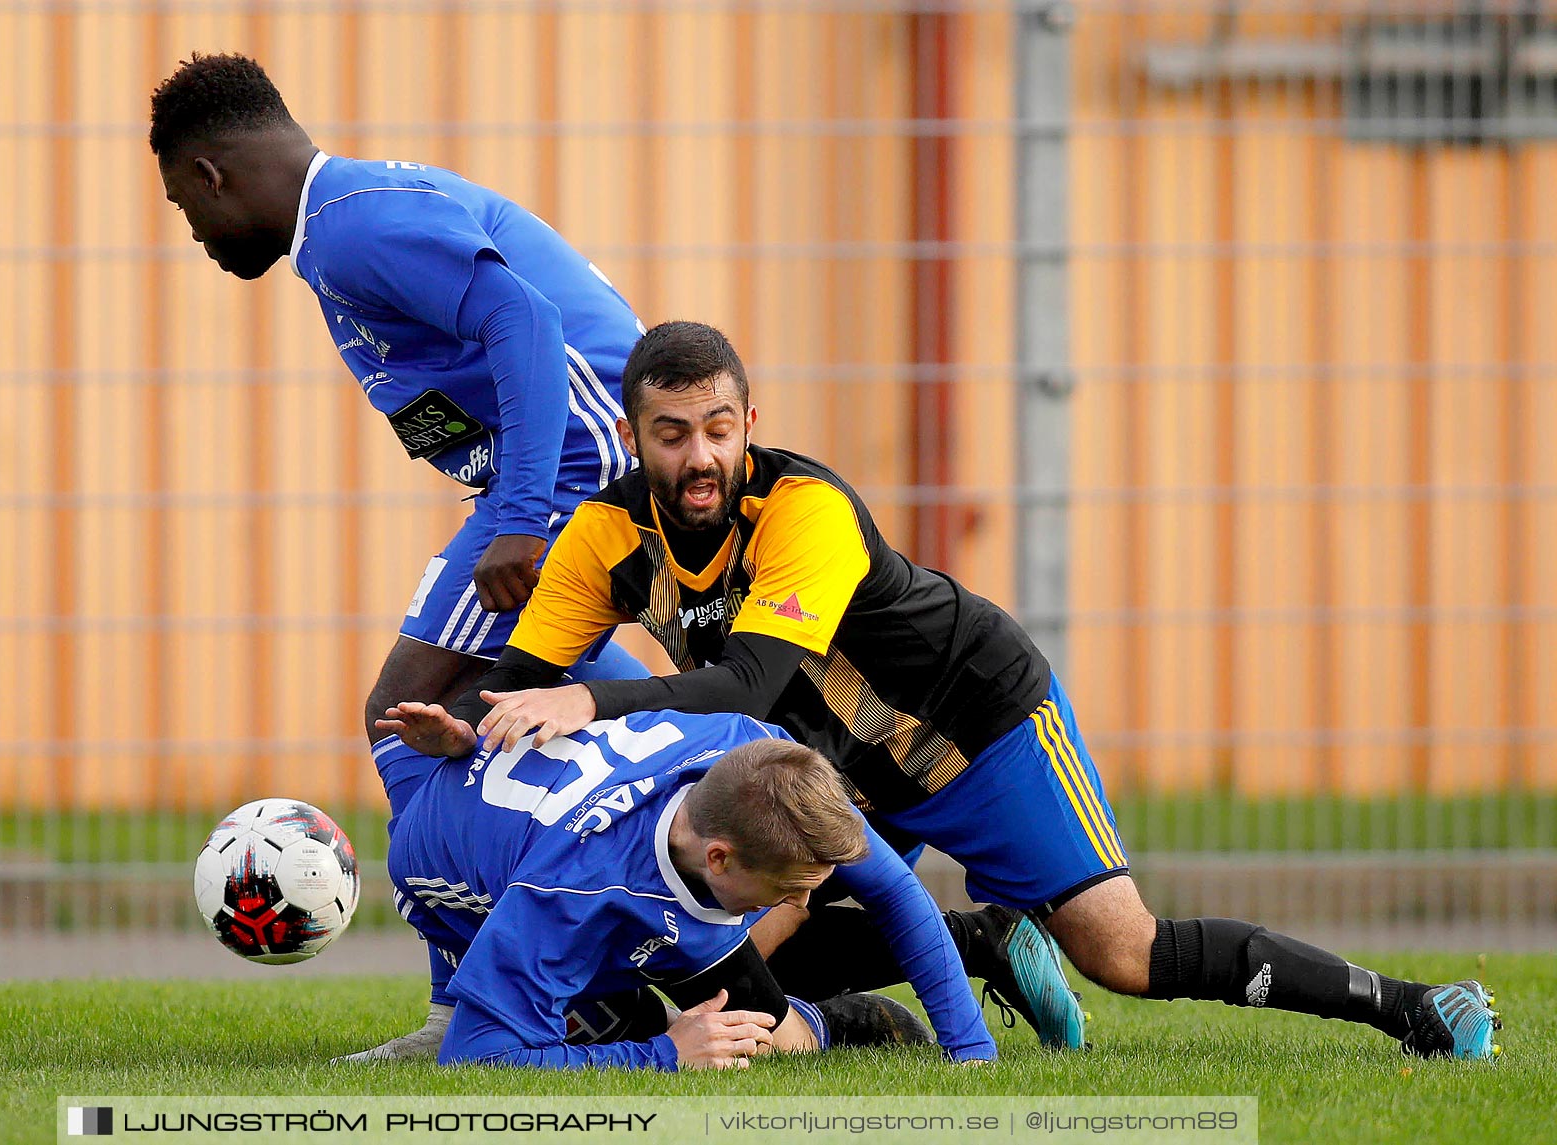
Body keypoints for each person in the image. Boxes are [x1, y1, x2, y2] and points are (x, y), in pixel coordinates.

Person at [396, 320, 1503, 1061]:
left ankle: (1408, 1008)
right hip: (832, 773)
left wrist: (596, 702)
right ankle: (971, 953)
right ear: (635, 435)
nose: (699, 455)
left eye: (719, 429)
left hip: (976, 722)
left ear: (748, 423)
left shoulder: (803, 507)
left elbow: (751, 679)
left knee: (1124, 951)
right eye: (672, 432)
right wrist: (475, 718)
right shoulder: (603, 533)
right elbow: (530, 675)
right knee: (730, 944)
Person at [149, 52, 650, 738]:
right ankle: (697, 732)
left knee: (406, 713)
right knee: (505, 688)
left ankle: (665, 793)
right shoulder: (338, 225)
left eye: (184, 205)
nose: (196, 233)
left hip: (581, 458)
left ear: (212, 177)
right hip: (558, 460)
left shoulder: (354, 228)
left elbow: (525, 319)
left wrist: (525, 519)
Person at [345, 707, 996, 1068]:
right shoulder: (570, 891)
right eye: (783, 891)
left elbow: (891, 888)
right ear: (719, 857)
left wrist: (971, 1050)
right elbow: (477, 1060)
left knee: (761, 1034)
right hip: (469, 896)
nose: (795, 905)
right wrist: (663, 1053)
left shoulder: (757, 755)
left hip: (614, 860)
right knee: (597, 1037)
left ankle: (825, 1021)